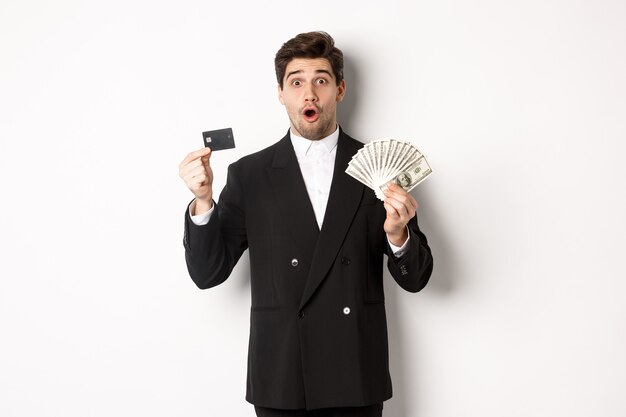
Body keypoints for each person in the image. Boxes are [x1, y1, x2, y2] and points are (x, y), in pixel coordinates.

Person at [178, 31, 433, 417]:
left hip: (355, 374)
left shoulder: (379, 170)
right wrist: (202, 201)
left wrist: (398, 235)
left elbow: (417, 278)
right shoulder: (250, 175)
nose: (309, 93)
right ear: (281, 93)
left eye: (321, 80)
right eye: (296, 82)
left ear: (340, 89)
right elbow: (207, 272)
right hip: (281, 376)